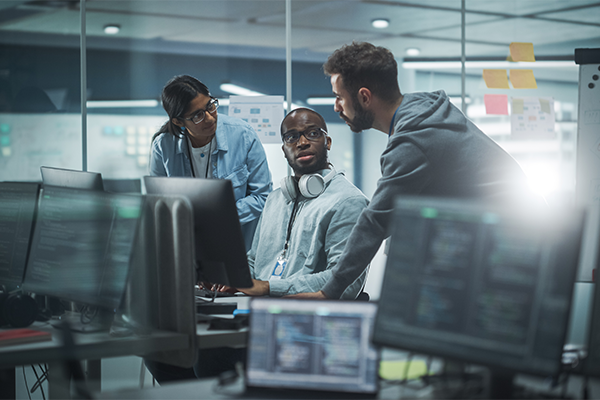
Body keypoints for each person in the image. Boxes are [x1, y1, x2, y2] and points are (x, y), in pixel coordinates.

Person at [292, 41, 532, 300]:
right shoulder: (422, 112)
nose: (337, 106)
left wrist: (328, 292)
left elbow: (376, 221)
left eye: (339, 97)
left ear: (364, 97)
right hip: (505, 243)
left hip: (509, 254)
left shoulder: (414, 139)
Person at [223, 107, 369, 299]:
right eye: (291, 137)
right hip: (260, 307)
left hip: (306, 313)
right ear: (284, 150)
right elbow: (253, 262)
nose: (302, 142)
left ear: (328, 142)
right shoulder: (275, 200)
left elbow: (345, 282)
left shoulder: (348, 201)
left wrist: (268, 287)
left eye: (313, 133)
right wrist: (232, 280)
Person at [149, 75, 272, 250]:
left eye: (210, 106)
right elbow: (158, 204)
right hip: (188, 249)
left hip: (240, 248)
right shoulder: (163, 147)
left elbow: (263, 196)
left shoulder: (243, 135)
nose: (210, 118)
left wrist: (216, 216)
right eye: (197, 115)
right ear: (178, 121)